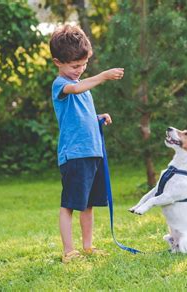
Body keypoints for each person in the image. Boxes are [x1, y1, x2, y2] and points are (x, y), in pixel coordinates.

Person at [49, 24, 124, 263]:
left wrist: (97, 118)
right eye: (74, 66)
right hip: (75, 154)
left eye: (83, 65)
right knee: (70, 204)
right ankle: (69, 251)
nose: (79, 70)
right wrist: (101, 76)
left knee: (88, 204)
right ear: (57, 62)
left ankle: (88, 246)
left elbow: (79, 116)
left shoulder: (83, 88)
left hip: (92, 151)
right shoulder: (61, 84)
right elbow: (76, 87)